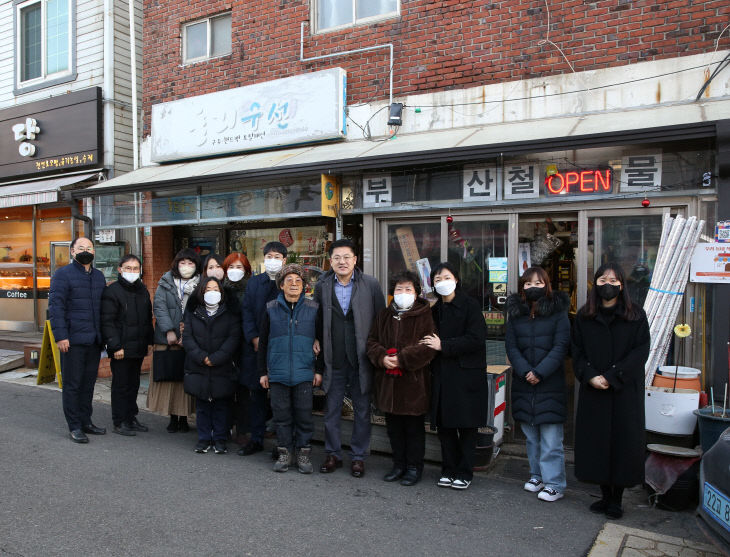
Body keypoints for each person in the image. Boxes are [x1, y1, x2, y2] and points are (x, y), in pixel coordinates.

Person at [572, 263, 650, 519]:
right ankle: (604, 495)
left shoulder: (636, 315)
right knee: (597, 444)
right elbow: (577, 352)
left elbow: (640, 352)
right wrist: (590, 375)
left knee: (623, 444)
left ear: (622, 285)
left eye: (614, 280)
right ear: (595, 284)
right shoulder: (584, 317)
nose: (608, 284)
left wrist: (613, 376)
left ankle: (617, 499)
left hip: (624, 391)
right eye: (603, 279)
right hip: (594, 391)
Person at [315, 238, 385, 478]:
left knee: (362, 410)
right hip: (333, 358)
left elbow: (380, 320)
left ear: (355, 260)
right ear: (330, 261)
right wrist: (315, 340)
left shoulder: (371, 284)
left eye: (347, 257)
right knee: (331, 408)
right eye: (337, 257)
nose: (342, 262)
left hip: (361, 358)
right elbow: (317, 318)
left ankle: (358, 457)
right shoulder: (322, 284)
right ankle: (333, 453)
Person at [505, 266, 570, 502]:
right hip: (525, 383)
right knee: (531, 437)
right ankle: (537, 475)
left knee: (552, 439)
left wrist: (540, 372)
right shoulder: (516, 314)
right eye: (528, 284)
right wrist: (524, 371)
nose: (533, 288)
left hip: (549, 382)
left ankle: (555, 483)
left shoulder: (558, 313)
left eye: (538, 283)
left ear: (547, 285)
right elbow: (511, 346)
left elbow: (561, 346)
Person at [420, 262, 488, 490]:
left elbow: (477, 339)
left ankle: (465, 472)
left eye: (446, 277)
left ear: (456, 279)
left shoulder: (470, 305)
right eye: (437, 279)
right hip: (442, 375)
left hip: (466, 375)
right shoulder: (434, 310)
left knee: (467, 427)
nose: (442, 282)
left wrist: (444, 346)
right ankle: (448, 469)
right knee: (446, 427)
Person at [366, 271, 435, 486]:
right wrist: (382, 357)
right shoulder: (384, 315)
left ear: (416, 292)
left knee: (413, 429)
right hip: (388, 382)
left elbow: (428, 346)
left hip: (413, 383)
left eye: (408, 289)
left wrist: (402, 358)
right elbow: (371, 341)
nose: (402, 293)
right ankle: (398, 464)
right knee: (393, 428)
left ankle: (414, 467)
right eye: (398, 289)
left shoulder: (425, 315)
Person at [258, 264, 322, 473]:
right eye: (289, 281)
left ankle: (303, 454)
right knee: (281, 416)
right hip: (277, 374)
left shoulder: (313, 309)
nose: (294, 284)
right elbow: (263, 344)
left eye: (298, 281)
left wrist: (318, 370)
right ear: (281, 286)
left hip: (304, 373)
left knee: (304, 415)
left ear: (304, 286)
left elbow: (321, 343)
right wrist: (262, 372)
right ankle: (284, 453)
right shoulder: (270, 309)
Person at [49, 236, 107, 443]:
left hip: (93, 340)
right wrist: (61, 336)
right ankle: (74, 426)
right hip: (72, 341)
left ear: (93, 252)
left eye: (89, 247)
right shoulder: (62, 275)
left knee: (88, 384)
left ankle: (86, 421)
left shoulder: (99, 276)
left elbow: (103, 310)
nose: (85, 250)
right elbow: (56, 308)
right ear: (72, 252)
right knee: (73, 384)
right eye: (81, 247)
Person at [239, 241, 288, 456]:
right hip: (256, 349)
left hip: (281, 349)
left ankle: (282, 443)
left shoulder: (289, 282)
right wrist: (254, 338)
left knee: (280, 398)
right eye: (269, 256)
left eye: (277, 256)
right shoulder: (254, 283)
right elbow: (247, 312)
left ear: (284, 260)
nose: (273, 260)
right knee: (256, 396)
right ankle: (256, 438)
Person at [183, 277, 241, 454]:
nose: (212, 292)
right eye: (208, 289)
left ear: (222, 293)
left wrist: (215, 358)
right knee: (202, 407)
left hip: (222, 367)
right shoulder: (193, 313)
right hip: (198, 366)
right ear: (201, 292)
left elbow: (233, 339)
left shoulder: (230, 313)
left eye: (216, 289)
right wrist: (202, 357)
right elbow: (187, 338)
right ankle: (203, 438)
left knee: (221, 406)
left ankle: (220, 439)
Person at [100, 254, 154, 436]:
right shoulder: (112, 291)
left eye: (135, 268)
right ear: (120, 269)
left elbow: (147, 319)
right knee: (121, 385)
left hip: (138, 347)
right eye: (128, 268)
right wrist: (115, 346)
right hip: (121, 349)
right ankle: (120, 420)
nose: (132, 272)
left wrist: (149, 341)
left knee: (133, 384)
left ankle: (131, 417)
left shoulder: (143, 290)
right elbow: (108, 322)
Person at [147, 248, 200, 433]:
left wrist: (187, 335)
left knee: (185, 381)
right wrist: (169, 330)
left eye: (191, 263)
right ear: (176, 264)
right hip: (166, 339)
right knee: (169, 379)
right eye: (182, 262)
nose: (186, 267)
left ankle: (184, 417)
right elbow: (159, 307)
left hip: (190, 340)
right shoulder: (166, 282)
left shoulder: (201, 284)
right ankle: (172, 417)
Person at [222, 251, 251, 445]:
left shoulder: (252, 288)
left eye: (239, 267)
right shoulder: (219, 289)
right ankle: (224, 428)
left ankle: (243, 429)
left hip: (246, 344)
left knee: (244, 389)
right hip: (224, 344)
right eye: (231, 267)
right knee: (224, 388)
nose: (235, 271)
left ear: (246, 270)